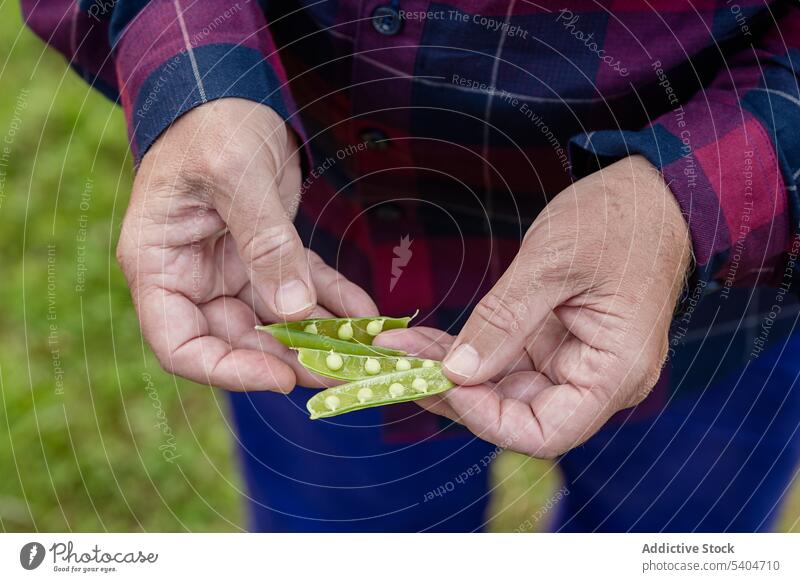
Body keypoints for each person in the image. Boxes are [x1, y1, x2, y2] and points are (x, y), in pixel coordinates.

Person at [23, 0, 800, 532]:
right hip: (321, 262)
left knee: (679, 543)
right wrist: (200, 85)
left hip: (721, 301)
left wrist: (691, 197)